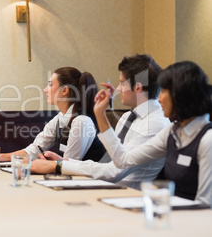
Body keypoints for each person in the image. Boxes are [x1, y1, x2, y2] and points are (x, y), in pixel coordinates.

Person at [31, 54, 171, 190]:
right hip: (107, 186)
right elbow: (107, 164)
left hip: (129, 194)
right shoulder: (126, 117)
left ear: (138, 87)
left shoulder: (156, 123)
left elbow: (114, 172)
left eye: (122, 83)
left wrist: (58, 166)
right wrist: (64, 162)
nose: (118, 89)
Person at [93, 61, 212, 206]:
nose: (159, 98)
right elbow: (123, 160)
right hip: (171, 213)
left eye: (164, 91)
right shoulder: (172, 131)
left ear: (180, 94)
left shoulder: (207, 140)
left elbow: (205, 204)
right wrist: (100, 114)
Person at [0, 67, 104, 162]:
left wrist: (45, 165)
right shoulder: (59, 119)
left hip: (92, 185)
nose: (45, 89)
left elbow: (69, 165)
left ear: (65, 90)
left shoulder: (82, 121)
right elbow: (34, 150)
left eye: (50, 84)